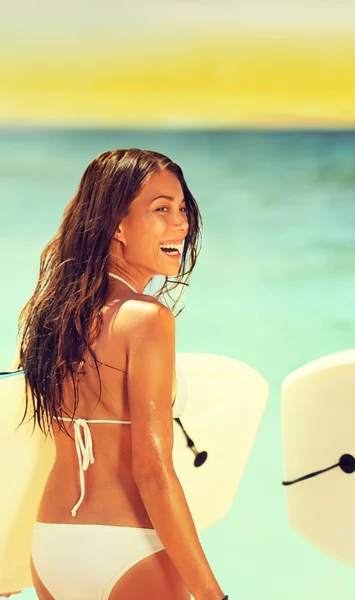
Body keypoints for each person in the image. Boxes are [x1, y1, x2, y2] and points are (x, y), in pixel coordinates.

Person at [13, 149, 227, 600]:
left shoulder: (51, 319)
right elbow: (152, 471)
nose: (181, 224)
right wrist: (213, 595)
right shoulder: (146, 319)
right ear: (117, 225)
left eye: (182, 209)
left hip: (51, 548)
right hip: (127, 548)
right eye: (161, 209)